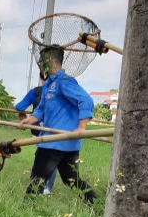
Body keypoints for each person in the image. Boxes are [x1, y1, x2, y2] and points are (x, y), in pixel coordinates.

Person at [18, 46, 97, 204]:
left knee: (37, 180)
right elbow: (41, 111)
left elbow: (86, 100)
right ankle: (94, 202)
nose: (40, 65)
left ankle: (25, 210)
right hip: (61, 143)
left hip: (55, 143)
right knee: (71, 180)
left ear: (51, 62)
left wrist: (81, 128)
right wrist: (30, 120)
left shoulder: (64, 82)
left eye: (41, 62)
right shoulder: (48, 85)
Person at [15, 73, 58, 194]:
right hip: (54, 130)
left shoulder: (35, 92)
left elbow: (19, 106)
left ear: (41, 78)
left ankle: (36, 184)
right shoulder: (58, 91)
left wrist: (21, 115)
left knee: (41, 155)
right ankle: (47, 188)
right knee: (52, 158)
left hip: (37, 130)